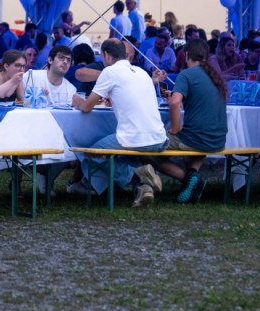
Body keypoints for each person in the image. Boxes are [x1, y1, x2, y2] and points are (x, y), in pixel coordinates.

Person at [72, 39, 167, 208]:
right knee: (121, 155)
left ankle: (137, 176)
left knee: (90, 155)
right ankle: (143, 187)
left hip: (134, 137)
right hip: (159, 138)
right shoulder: (141, 72)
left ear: (106, 55)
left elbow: (86, 107)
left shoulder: (110, 72)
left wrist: (77, 101)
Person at [150, 40, 227, 203]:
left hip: (196, 138)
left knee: (148, 148)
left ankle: (188, 179)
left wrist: (175, 128)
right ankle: (192, 176)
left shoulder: (186, 74)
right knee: (195, 140)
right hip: (217, 139)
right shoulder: (214, 76)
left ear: (186, 55)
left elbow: (174, 102)